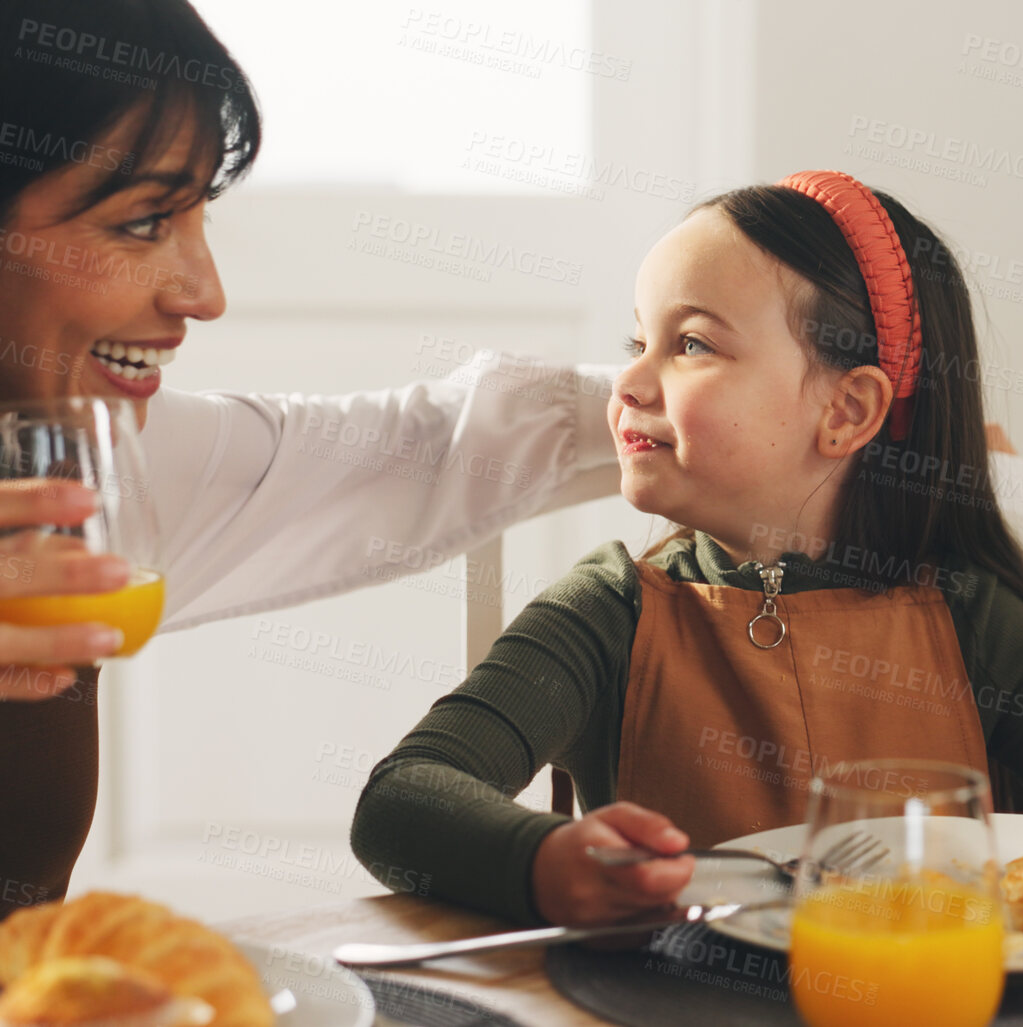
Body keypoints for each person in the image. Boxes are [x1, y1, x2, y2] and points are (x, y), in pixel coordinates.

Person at [351, 173, 1023, 927]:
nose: (628, 380)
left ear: (846, 411)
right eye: (637, 341)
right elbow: (404, 799)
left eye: (690, 343)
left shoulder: (971, 619)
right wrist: (546, 861)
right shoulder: (609, 613)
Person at [0, 0, 617, 916]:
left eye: (199, 215)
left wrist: (731, 398)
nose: (205, 295)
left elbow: (430, 450)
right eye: (142, 223)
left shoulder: (107, 469)